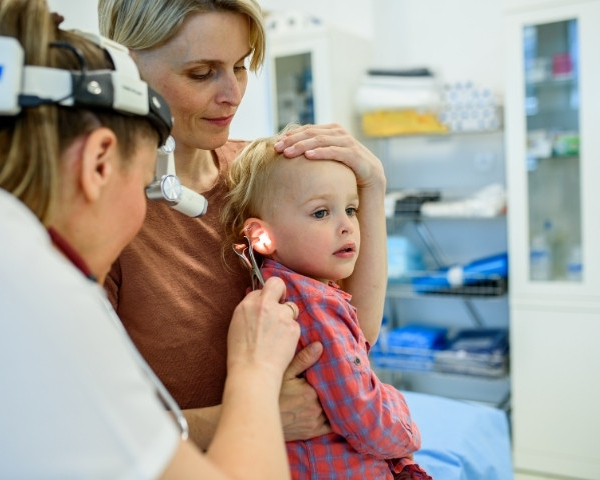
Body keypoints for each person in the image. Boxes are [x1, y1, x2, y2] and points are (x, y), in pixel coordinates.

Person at [0, 0, 303, 478]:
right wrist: (255, 372)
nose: (230, 92)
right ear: (99, 162)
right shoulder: (33, 293)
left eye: (240, 67)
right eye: (146, 177)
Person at [98, 0, 389, 449]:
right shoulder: (101, 215)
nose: (232, 93)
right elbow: (88, 427)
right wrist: (250, 416)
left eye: (240, 66)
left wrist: (372, 188)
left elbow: (355, 333)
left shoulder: (265, 173)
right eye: (201, 73)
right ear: (124, 66)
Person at [220, 125, 432, 480]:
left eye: (350, 209)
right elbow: (363, 417)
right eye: (321, 213)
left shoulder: (292, 286)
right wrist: (408, 430)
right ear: (261, 236)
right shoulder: (314, 306)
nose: (347, 225)